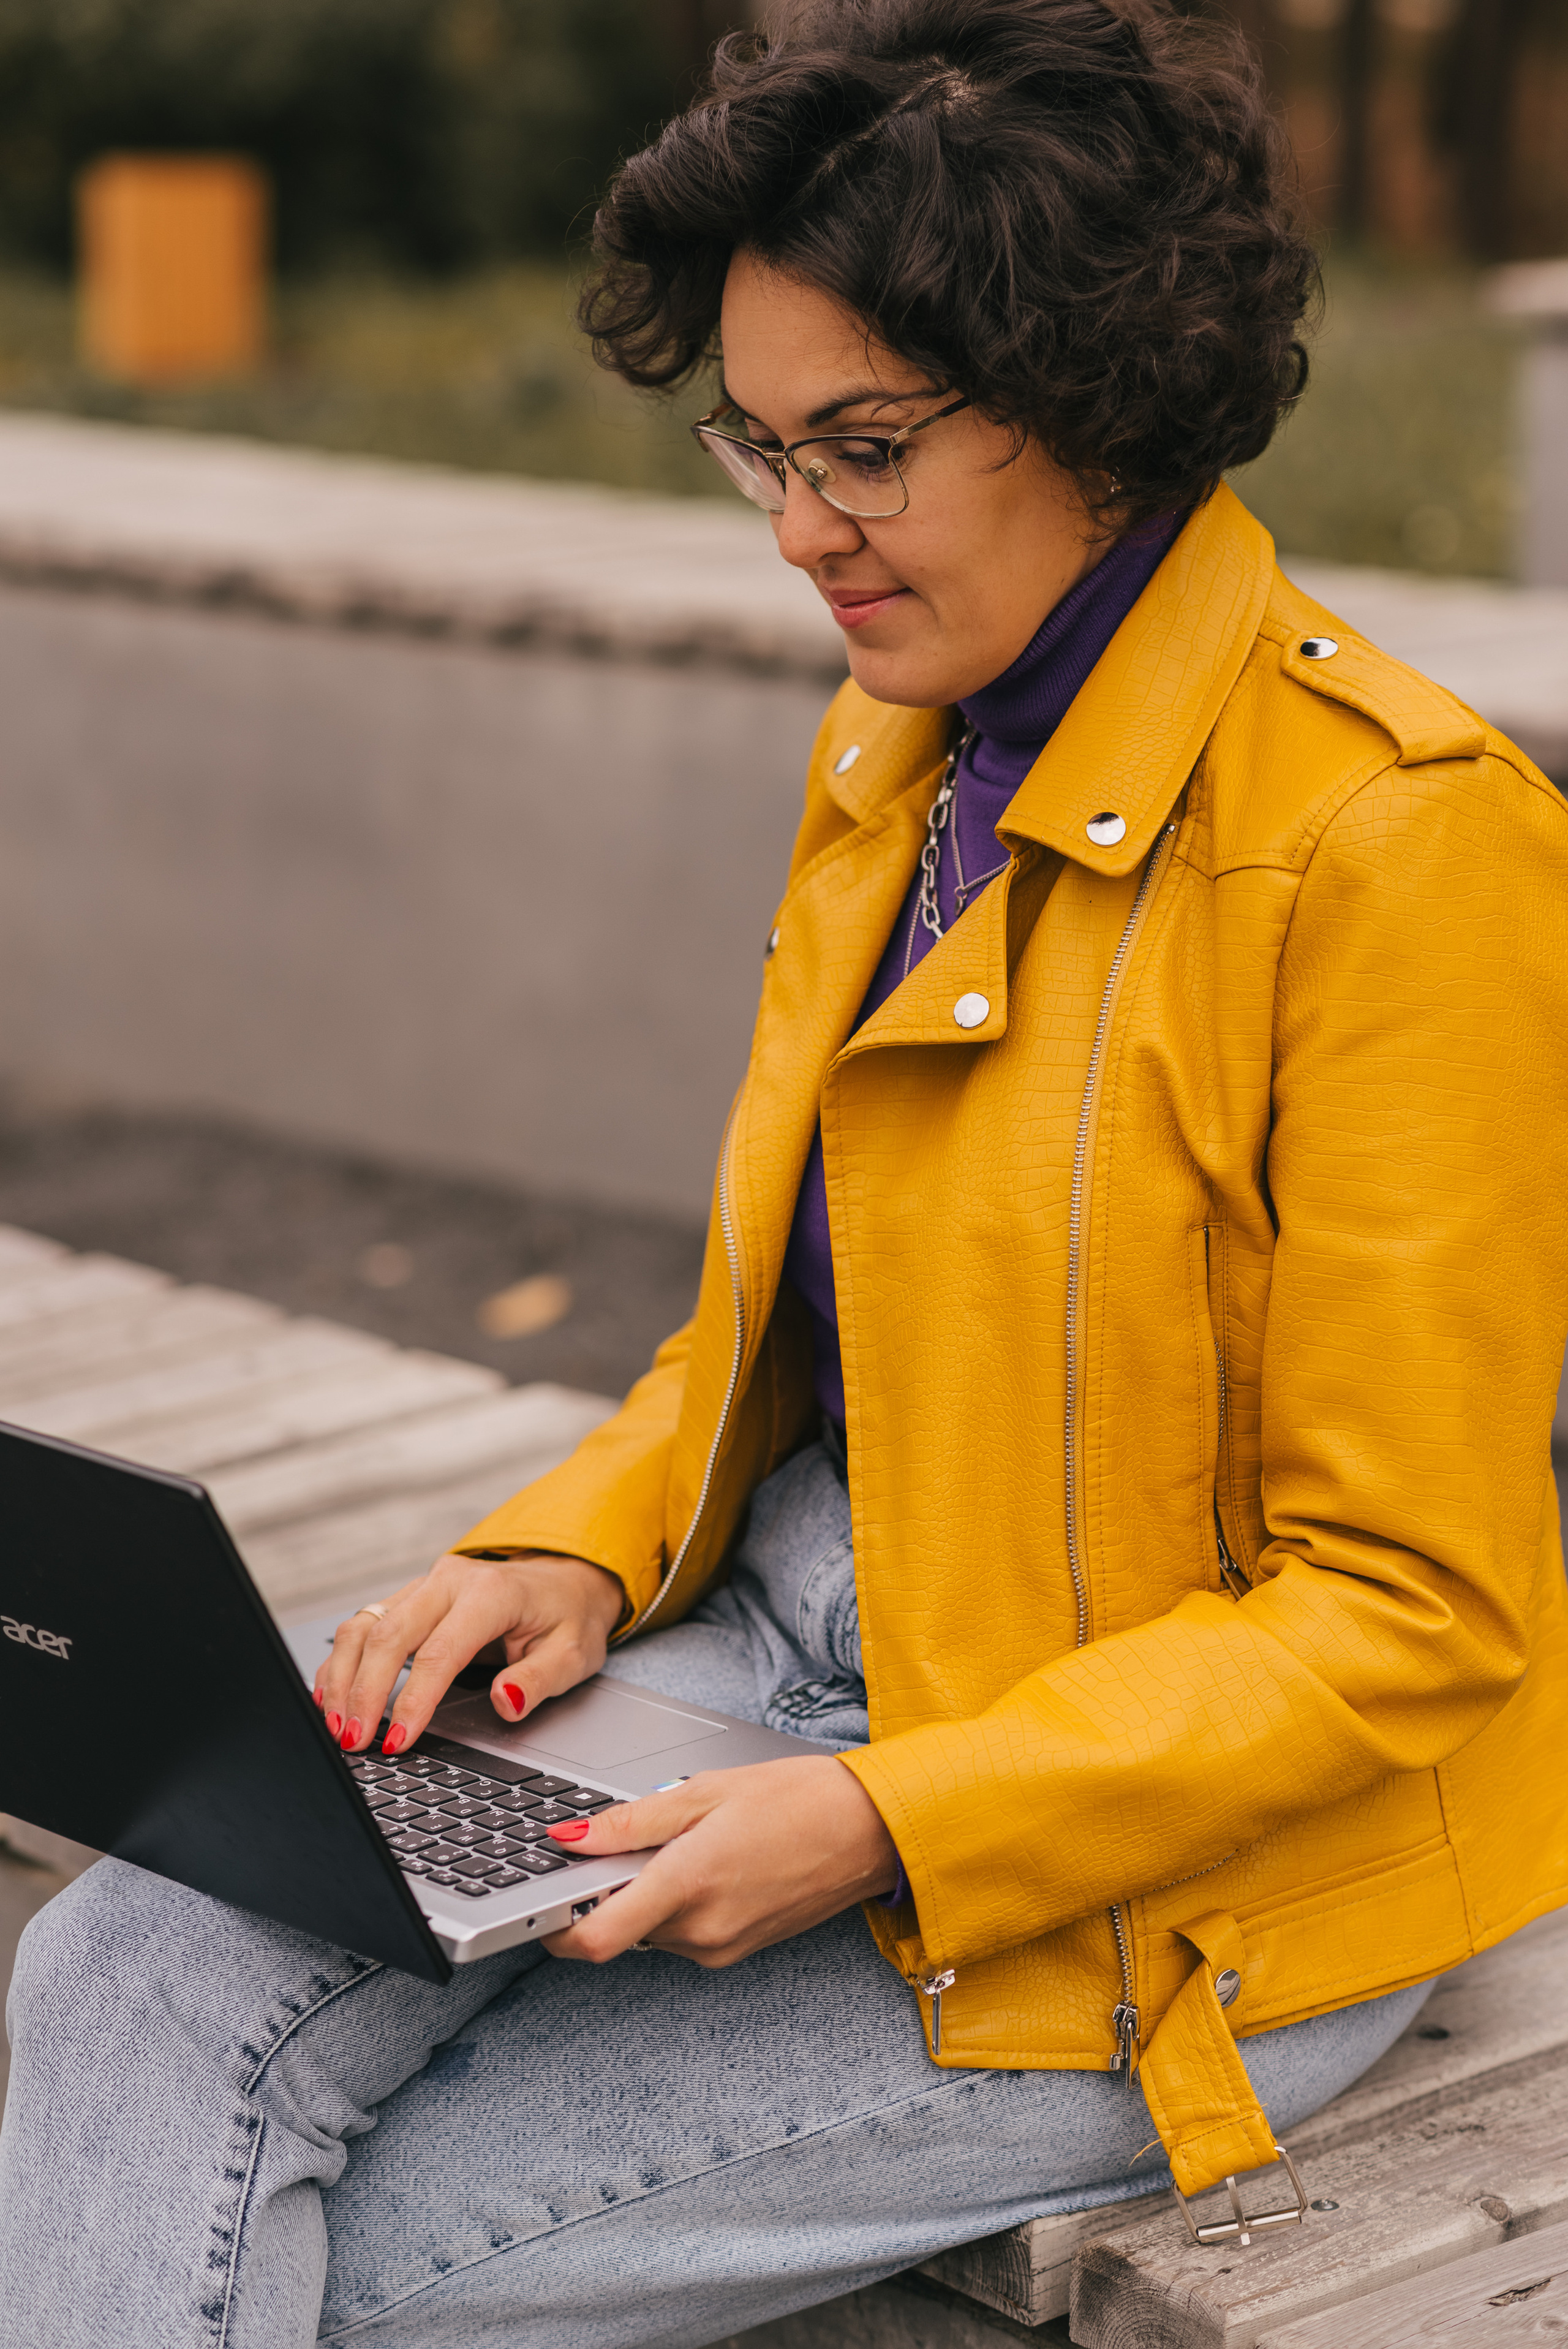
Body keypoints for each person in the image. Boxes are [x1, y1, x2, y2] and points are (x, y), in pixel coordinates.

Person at [6, 2, 1568, 2342]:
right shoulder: (904, 743)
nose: (802, 527)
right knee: (124, 1964)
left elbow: (1415, 1605)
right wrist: (570, 1540)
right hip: (778, 1645)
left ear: (1102, 396)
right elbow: (782, 1337)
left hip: (1186, 1871)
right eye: (760, 443)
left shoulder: (1396, 844)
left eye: (868, 446)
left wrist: (898, 1818)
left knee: (328, 2247)